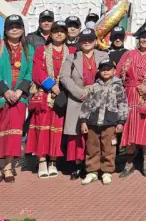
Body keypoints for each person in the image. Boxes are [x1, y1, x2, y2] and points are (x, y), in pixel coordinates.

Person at [0, 15, 34, 183]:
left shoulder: (29, 49)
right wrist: (5, 91)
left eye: (18, 26)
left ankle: (8, 165)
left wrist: (19, 91)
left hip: (18, 96)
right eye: (11, 27)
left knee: (13, 132)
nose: (14, 29)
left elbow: (31, 71)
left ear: (23, 29)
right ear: (5, 29)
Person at [116, 25, 146, 178]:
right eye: (143, 37)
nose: (145, 40)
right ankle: (129, 163)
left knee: (145, 131)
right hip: (128, 96)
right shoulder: (128, 55)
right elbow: (117, 74)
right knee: (129, 130)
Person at [61, 29, 110, 180]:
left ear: (95, 41)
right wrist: (80, 93)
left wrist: (96, 91)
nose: (87, 42)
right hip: (78, 99)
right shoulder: (72, 57)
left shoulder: (103, 55)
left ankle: (96, 166)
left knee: (95, 133)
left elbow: (108, 74)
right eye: (84, 39)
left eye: (90, 39)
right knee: (77, 135)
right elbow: (64, 78)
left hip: (98, 99)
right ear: (80, 41)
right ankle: (78, 165)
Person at [26, 21, 72, 178]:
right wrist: (51, 86)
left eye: (62, 31)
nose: (59, 34)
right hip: (45, 94)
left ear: (66, 34)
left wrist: (63, 88)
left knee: (57, 130)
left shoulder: (72, 51)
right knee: (42, 128)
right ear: (50, 34)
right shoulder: (42, 50)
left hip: (63, 95)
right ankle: (42, 161)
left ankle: (53, 161)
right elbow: (37, 71)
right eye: (56, 31)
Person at [78, 58, 128, 186]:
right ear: (99, 71)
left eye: (108, 69)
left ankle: (107, 171)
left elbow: (122, 104)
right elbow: (86, 104)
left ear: (114, 71)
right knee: (92, 147)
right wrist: (83, 121)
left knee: (109, 147)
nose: (105, 72)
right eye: (103, 69)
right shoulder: (94, 87)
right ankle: (92, 171)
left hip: (110, 123)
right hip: (93, 123)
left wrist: (121, 122)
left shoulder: (118, 87)